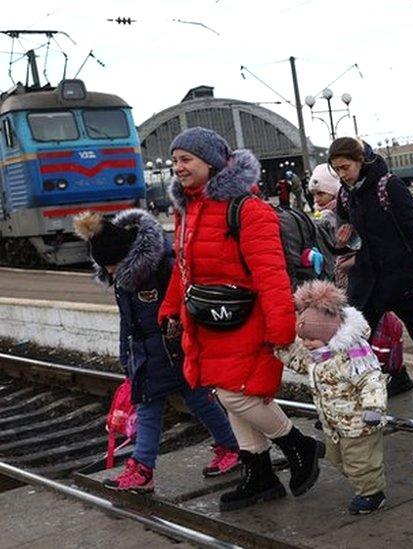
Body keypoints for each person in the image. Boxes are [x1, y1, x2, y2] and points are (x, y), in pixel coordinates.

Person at [159, 127, 324, 511]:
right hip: (210, 321)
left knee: (237, 393)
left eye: (186, 160)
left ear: (211, 163)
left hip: (248, 321)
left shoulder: (248, 210)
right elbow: (182, 268)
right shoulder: (186, 209)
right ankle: (259, 474)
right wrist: (169, 307)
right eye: (175, 161)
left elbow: (272, 274)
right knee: (226, 392)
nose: (178, 168)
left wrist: (281, 327)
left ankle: (297, 444)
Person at [73, 209, 240, 493]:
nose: (110, 272)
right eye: (106, 267)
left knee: (150, 408)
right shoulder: (125, 276)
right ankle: (231, 446)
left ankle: (143, 469)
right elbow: (128, 322)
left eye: (112, 265)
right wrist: (125, 355)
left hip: (170, 349)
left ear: (124, 256)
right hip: (149, 352)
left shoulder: (160, 269)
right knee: (198, 399)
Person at [330, 137, 413, 416]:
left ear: (360, 161)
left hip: (401, 277)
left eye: (345, 167)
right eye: (336, 169)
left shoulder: (388, 186)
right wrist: (344, 239)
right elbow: (351, 234)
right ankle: (355, 399)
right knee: (354, 338)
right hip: (367, 279)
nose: (342, 174)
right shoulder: (346, 193)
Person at [276, 281, 388, 515]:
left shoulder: (351, 356)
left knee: (360, 461)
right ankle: (364, 481)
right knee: (337, 458)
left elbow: (372, 380)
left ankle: (372, 494)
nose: (306, 344)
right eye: (303, 339)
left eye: (310, 340)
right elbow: (299, 361)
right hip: (334, 423)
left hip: (360, 424)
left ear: (329, 334)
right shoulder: (318, 355)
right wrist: (281, 349)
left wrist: (373, 408)